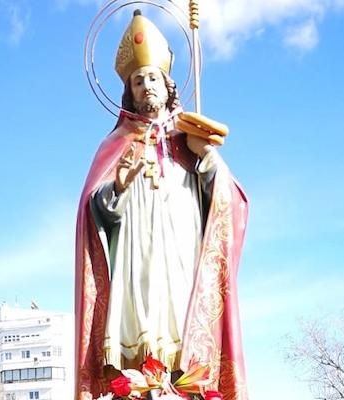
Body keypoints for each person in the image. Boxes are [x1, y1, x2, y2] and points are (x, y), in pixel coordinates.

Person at [74, 10, 249, 400]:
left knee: (181, 328)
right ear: (129, 91)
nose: (146, 85)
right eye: (138, 81)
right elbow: (93, 215)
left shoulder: (188, 135)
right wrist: (115, 189)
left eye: (152, 77)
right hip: (135, 262)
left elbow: (230, 203)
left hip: (180, 256)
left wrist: (206, 159)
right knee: (140, 342)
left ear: (167, 84)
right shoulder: (114, 145)